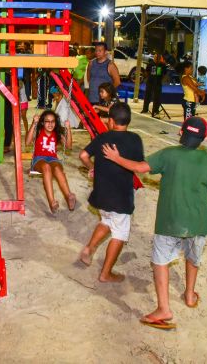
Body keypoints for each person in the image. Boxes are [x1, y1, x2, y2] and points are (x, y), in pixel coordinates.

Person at [103, 116, 207, 330]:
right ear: (204, 139)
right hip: (197, 223)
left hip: (170, 221)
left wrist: (116, 158)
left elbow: (140, 168)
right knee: (192, 257)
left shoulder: (168, 154)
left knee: (161, 261)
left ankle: (164, 309)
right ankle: (189, 295)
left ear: (180, 133)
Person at [78, 102, 143, 281]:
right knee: (120, 233)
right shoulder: (135, 139)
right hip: (121, 198)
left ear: (112, 121)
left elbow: (83, 156)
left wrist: (92, 167)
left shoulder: (102, 137)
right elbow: (138, 167)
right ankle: (106, 274)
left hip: (101, 195)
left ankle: (88, 248)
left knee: (107, 220)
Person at [26, 110, 75, 214]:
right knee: (46, 167)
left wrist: (68, 128)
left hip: (53, 159)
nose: (50, 124)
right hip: (39, 159)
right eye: (47, 121)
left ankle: (69, 196)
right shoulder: (39, 131)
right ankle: (52, 201)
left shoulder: (57, 134)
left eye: (52, 121)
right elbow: (27, 142)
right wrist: (34, 123)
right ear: (43, 122)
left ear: (55, 123)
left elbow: (69, 146)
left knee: (57, 168)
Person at [141, 53, 165, 117]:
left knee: (157, 96)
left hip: (158, 82)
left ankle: (156, 109)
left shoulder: (162, 65)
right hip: (150, 82)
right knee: (147, 95)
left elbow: (164, 73)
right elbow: (147, 71)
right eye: (155, 57)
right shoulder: (150, 64)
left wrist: (161, 78)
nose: (156, 59)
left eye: (158, 58)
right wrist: (147, 76)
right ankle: (145, 109)